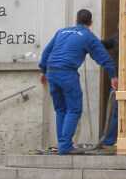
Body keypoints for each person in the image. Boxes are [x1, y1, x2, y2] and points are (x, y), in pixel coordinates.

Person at [39, 9, 116, 155]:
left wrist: (43, 71)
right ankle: (65, 146)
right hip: (67, 73)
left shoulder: (61, 32)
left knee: (61, 109)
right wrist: (113, 76)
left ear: (76, 20)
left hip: (51, 72)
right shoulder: (88, 36)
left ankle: (62, 144)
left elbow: (46, 52)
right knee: (74, 109)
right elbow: (104, 57)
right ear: (91, 22)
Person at [99, 34, 119, 153]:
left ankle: (109, 140)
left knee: (114, 110)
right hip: (119, 78)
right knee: (114, 111)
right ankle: (109, 140)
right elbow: (100, 44)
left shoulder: (116, 39)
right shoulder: (116, 39)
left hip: (119, 77)